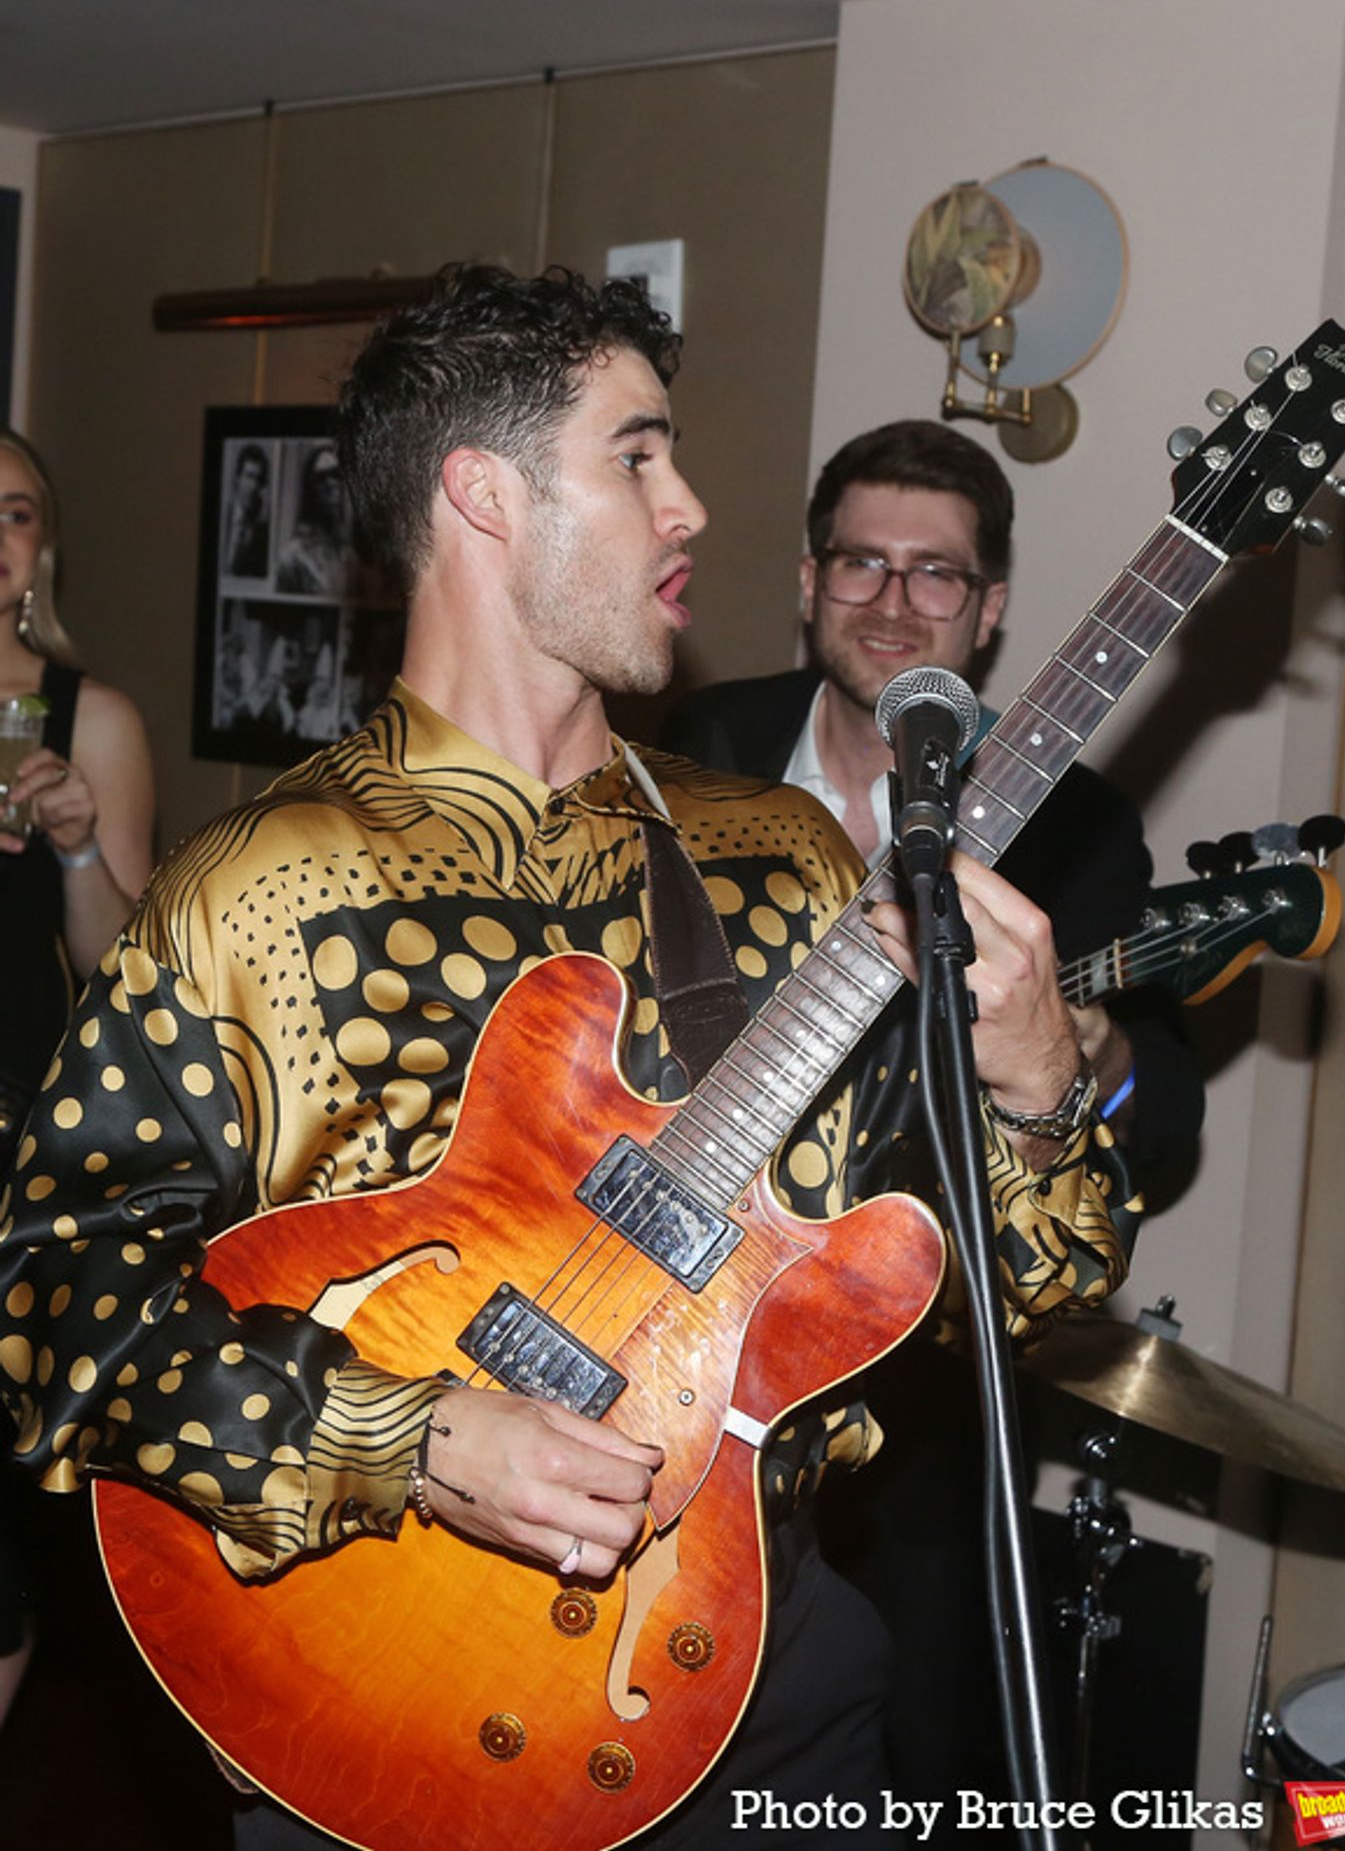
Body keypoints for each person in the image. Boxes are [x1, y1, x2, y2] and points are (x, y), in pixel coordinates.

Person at [0, 270, 1133, 1848]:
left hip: (771, 1667)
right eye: (638, 456)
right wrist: (415, 1436)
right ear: (483, 494)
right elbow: (56, 1305)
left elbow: (1009, 1299)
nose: (692, 505)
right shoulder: (257, 887)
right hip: (376, 1690)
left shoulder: (783, 861)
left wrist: (1037, 1087)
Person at [662, 418, 1205, 1812]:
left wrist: (1078, 1050)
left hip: (918, 1385)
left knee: (903, 1762)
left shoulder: (1081, 826)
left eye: (938, 574)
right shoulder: (683, 755)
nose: (894, 600)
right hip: (665, 1332)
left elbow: (1165, 1116)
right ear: (805, 578)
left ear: (992, 606)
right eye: (862, 561)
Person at [0, 425, 156, 1731]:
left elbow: (121, 969)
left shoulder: (82, 716)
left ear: (39, 547)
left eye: (13, 513)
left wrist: (73, 846)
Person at [275, 443, 353, 596]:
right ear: (310, 488)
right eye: (322, 477)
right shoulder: (292, 558)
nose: (331, 484)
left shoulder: (350, 558)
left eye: (335, 475)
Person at [221, 442, 271, 579]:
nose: (254, 486)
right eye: (249, 476)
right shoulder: (222, 517)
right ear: (238, 478)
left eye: (259, 479)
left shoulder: (263, 532)